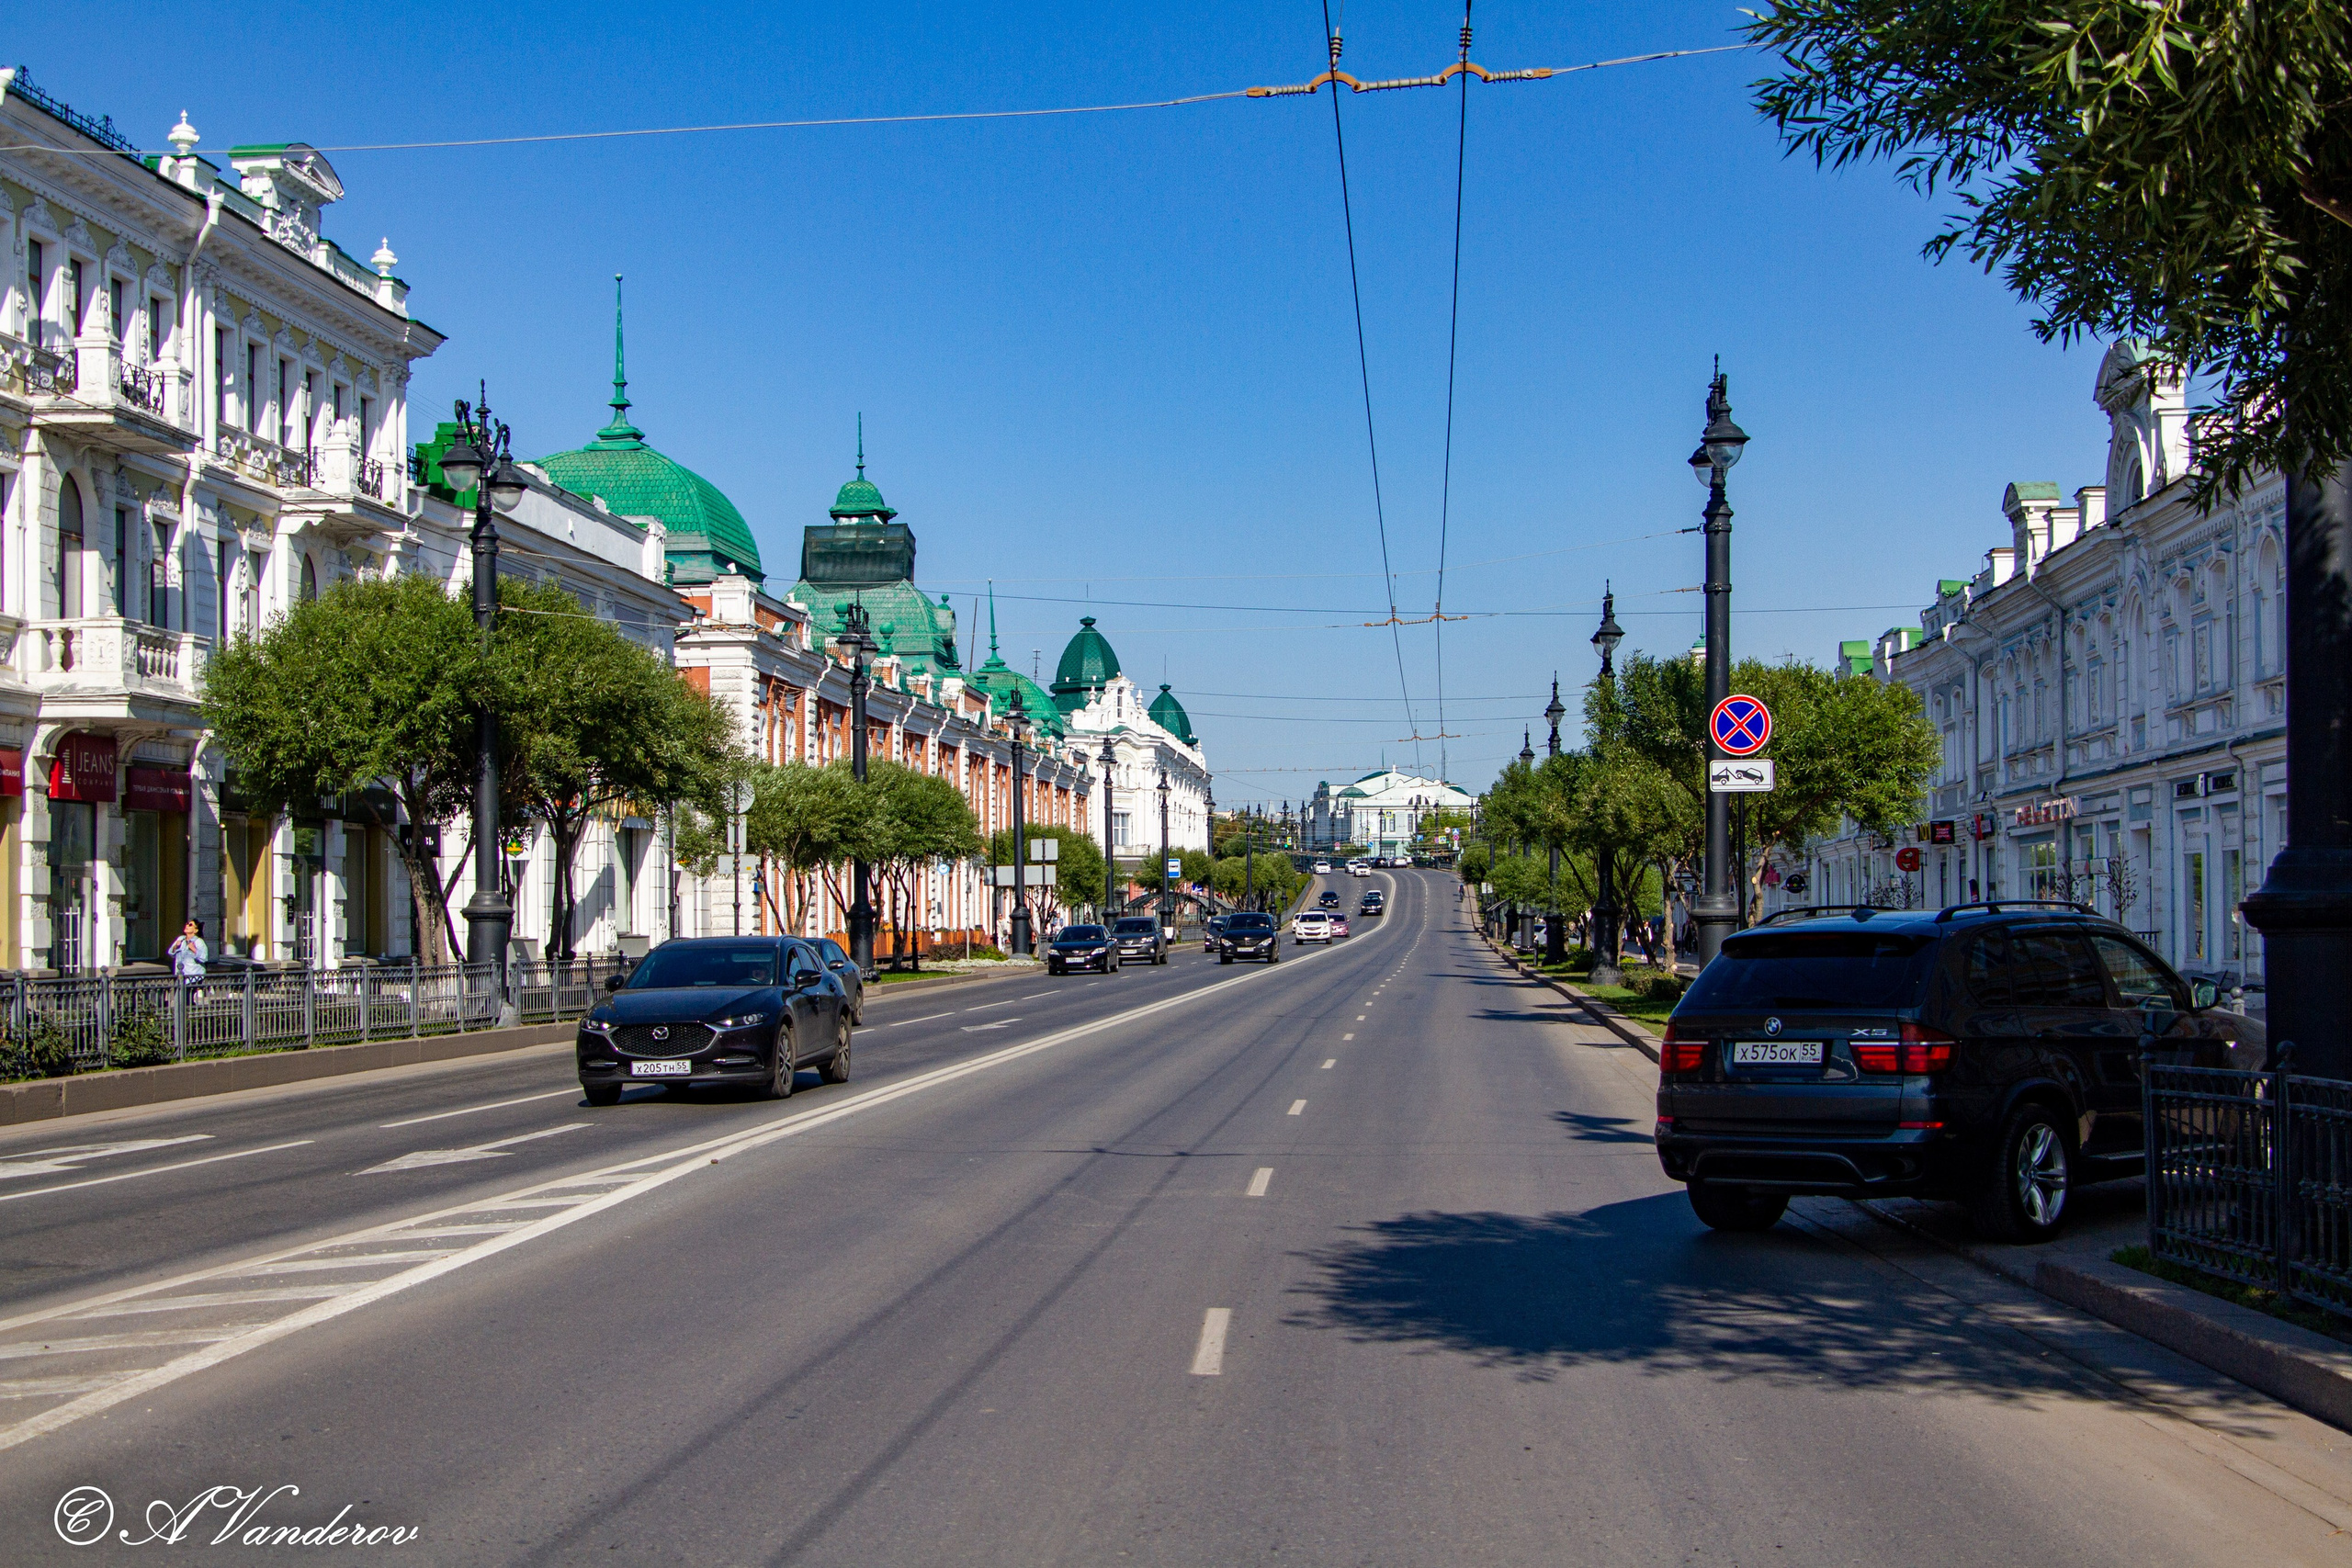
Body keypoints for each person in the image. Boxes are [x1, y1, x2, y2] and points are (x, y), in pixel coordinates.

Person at [169, 919, 209, 991]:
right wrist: (175, 947)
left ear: (195, 930)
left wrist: (193, 948)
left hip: (194, 977)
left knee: (188, 999)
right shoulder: (181, 939)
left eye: (190, 925)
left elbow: (204, 958)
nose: (187, 926)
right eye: (187, 923)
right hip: (181, 976)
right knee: (180, 999)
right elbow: (171, 953)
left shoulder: (199, 942)